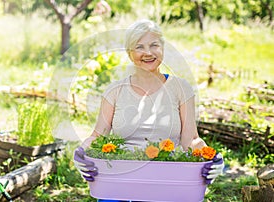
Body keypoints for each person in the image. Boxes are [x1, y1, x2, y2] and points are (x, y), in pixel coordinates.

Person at [74, 19, 224, 201]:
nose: (148, 53)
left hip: (165, 177)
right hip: (120, 180)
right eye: (139, 47)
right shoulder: (115, 91)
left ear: (162, 48)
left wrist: (211, 156)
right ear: (130, 53)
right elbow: (98, 136)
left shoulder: (180, 88)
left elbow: (190, 140)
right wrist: (81, 153)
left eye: (154, 45)